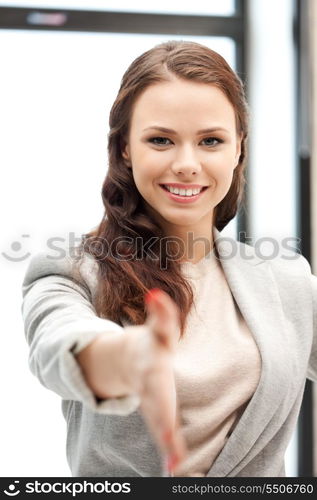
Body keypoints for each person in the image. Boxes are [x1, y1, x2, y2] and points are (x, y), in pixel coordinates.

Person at [21, 40, 317, 478]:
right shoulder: (73, 269)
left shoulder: (286, 280)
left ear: (238, 149)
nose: (186, 164)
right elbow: (57, 343)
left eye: (210, 141)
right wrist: (121, 359)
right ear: (124, 148)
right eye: (160, 140)